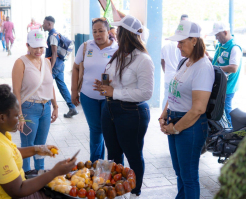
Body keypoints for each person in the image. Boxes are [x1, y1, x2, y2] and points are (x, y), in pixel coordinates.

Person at [0, 84, 76, 199]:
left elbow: (10, 154)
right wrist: (54, 172)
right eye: (17, 115)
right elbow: (18, 190)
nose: (21, 119)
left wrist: (37, 149)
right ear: (2, 118)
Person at [94, 15, 154, 199]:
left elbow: (146, 93)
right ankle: (118, 190)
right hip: (110, 109)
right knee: (113, 154)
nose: (115, 33)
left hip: (131, 113)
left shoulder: (143, 59)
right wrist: (105, 86)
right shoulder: (118, 54)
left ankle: (135, 192)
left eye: (118, 30)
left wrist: (115, 92)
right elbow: (114, 81)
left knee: (133, 154)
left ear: (126, 33)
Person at [159, 20, 215, 199]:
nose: (178, 45)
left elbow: (198, 109)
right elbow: (173, 91)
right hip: (175, 120)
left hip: (190, 126)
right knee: (180, 173)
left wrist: (175, 128)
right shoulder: (185, 62)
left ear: (195, 41)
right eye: (178, 41)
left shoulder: (203, 67)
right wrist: (164, 114)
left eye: (182, 41)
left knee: (189, 176)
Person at [71, 17, 118, 162]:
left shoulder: (117, 48)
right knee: (96, 130)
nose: (97, 34)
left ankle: (112, 164)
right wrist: (74, 91)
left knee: (109, 130)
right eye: (94, 31)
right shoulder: (86, 46)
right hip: (88, 96)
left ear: (108, 31)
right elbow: (76, 67)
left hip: (109, 98)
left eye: (101, 31)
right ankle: (96, 164)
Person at [12, 30, 59, 174]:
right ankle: (26, 176)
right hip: (28, 109)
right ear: (27, 45)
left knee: (41, 145)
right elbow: (16, 92)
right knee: (27, 145)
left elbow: (50, 85)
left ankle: (40, 174)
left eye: (41, 47)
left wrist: (55, 106)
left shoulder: (46, 62)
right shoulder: (21, 63)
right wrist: (19, 116)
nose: (38, 50)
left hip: (46, 108)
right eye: (34, 47)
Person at [207, 22, 242, 125]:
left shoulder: (234, 47)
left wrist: (213, 68)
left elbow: (233, 68)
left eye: (217, 35)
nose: (216, 37)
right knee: (219, 110)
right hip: (220, 85)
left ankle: (232, 133)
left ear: (225, 32)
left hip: (228, 86)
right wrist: (209, 58)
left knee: (226, 108)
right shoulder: (220, 45)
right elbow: (219, 62)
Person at [43, 16, 78, 118]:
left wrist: (50, 69)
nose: (43, 25)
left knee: (46, 85)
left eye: (44, 23)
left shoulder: (52, 36)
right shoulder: (55, 33)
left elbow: (54, 54)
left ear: (49, 24)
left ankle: (46, 110)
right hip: (60, 64)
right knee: (61, 85)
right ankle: (72, 108)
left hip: (55, 65)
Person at [161, 15, 187, 109]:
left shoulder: (165, 47)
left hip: (168, 76)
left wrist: (166, 71)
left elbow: (162, 62)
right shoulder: (180, 47)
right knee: (175, 100)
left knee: (166, 98)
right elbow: (183, 62)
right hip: (178, 77)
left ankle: (163, 116)